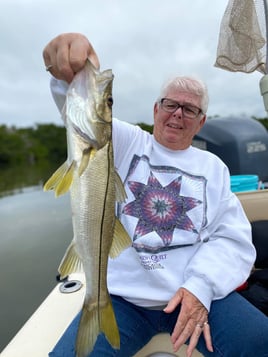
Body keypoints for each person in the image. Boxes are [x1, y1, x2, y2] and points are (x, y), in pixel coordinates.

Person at [44, 33, 268, 357]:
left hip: (195, 297)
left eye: (189, 109)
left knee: (260, 342)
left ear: (201, 121)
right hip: (124, 301)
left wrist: (199, 287)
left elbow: (231, 238)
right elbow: (80, 112)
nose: (177, 114)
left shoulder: (214, 167)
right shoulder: (122, 141)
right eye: (170, 104)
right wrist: (67, 69)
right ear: (155, 109)